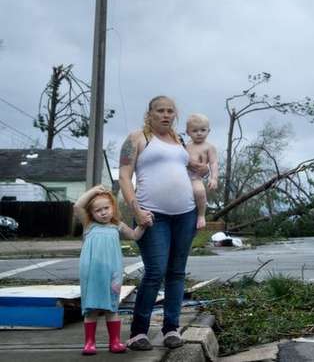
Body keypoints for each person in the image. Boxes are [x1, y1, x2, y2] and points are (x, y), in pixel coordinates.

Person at [118, 95, 208, 351]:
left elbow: (188, 167)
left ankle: (171, 328)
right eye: (160, 111)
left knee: (177, 273)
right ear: (150, 114)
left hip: (186, 213)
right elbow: (124, 177)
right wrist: (136, 209)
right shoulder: (137, 138)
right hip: (151, 215)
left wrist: (203, 169)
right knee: (155, 271)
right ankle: (138, 332)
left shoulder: (180, 141)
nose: (166, 115)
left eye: (170, 111)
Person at [74, 185, 147, 355]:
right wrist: (94, 191)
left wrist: (143, 225)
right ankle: (89, 343)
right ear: (91, 213)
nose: (103, 212)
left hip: (112, 273)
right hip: (91, 273)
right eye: (98, 210)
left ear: (113, 208)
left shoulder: (117, 226)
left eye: (106, 208)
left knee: (111, 308)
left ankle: (114, 341)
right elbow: (77, 206)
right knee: (91, 308)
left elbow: (135, 235)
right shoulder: (89, 225)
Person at [185, 113, 219, 229]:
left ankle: (201, 215)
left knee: (199, 191)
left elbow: (213, 163)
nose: (199, 133)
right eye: (195, 130)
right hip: (182, 176)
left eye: (203, 130)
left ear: (208, 131)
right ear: (188, 132)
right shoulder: (186, 145)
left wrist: (214, 178)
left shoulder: (209, 147)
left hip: (195, 177)